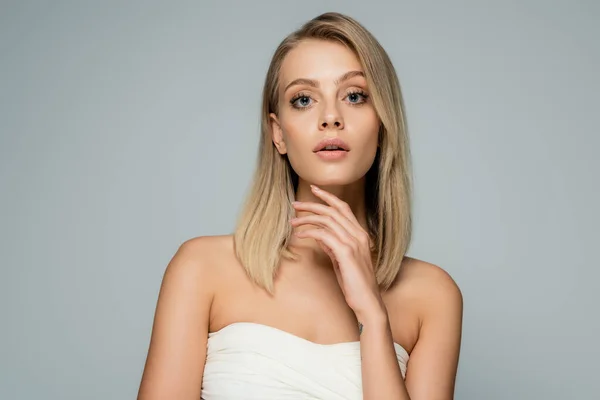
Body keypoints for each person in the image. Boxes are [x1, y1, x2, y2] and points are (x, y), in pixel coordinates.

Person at [137, 11, 463, 400]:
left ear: (383, 123)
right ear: (278, 134)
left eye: (355, 96)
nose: (330, 118)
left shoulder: (432, 296)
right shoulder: (201, 268)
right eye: (304, 99)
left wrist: (373, 318)